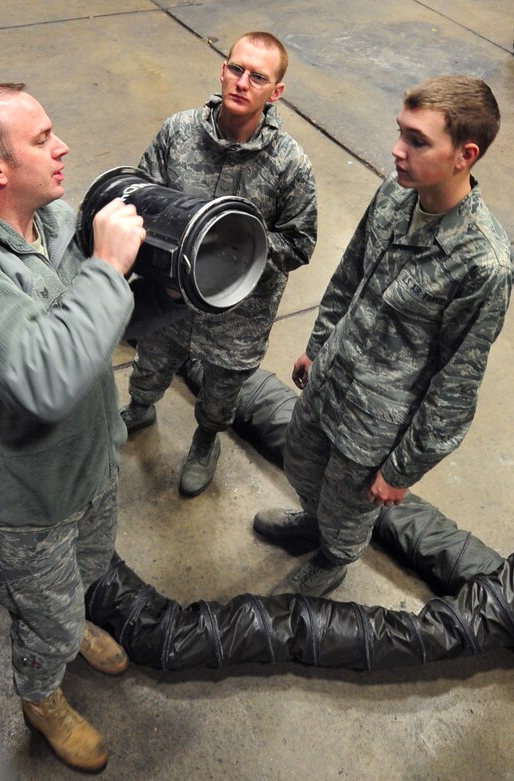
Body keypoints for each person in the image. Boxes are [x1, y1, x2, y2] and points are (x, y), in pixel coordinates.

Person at [0, 83, 148, 773]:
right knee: (45, 616)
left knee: (90, 570)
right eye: (42, 138)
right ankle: (43, 697)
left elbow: (96, 326)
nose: (63, 145)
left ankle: (71, 626)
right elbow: (41, 379)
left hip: (88, 462)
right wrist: (107, 268)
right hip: (19, 502)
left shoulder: (53, 219)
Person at [254, 75, 512, 597]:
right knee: (302, 463)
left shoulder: (483, 262)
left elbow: (456, 385)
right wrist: (318, 345)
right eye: (401, 132)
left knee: (349, 510)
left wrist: (401, 469)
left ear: (465, 155)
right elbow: (349, 275)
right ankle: (312, 523)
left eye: (417, 141)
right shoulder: (396, 196)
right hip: (331, 378)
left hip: (376, 424)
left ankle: (333, 559)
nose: (397, 150)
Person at [120, 31, 317, 497]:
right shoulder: (180, 132)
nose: (242, 82)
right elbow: (141, 193)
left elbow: (301, 241)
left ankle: (207, 441)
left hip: (237, 311)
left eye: (258, 77)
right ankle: (140, 408)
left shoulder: (290, 164)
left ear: (277, 91)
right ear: (222, 69)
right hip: (169, 293)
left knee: (221, 393)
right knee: (151, 361)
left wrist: (242, 244)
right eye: (236, 69)